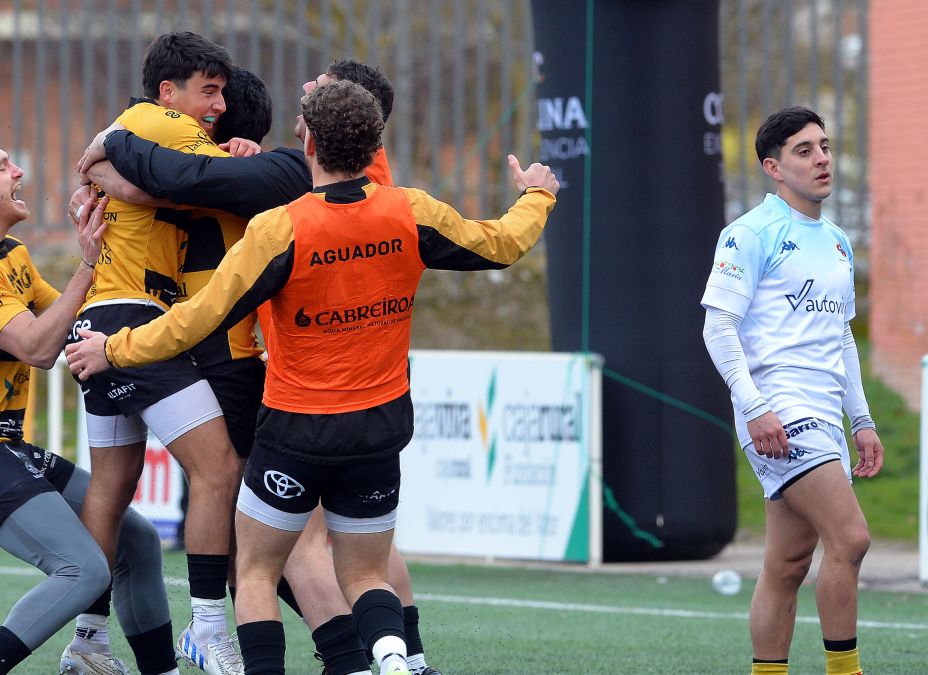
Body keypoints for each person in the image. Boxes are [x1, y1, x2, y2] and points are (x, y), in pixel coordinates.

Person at [65, 79, 558, 675]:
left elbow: (197, 319)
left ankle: (266, 649)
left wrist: (115, 348)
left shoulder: (281, 228)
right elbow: (502, 244)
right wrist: (537, 195)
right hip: (380, 425)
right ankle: (394, 655)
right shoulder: (410, 209)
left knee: (256, 570)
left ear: (308, 144)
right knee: (367, 573)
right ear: (372, 144)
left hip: (296, 430)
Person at [0, 122, 175, 675]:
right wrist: (87, 264)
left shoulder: (10, 254)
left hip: (3, 446)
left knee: (137, 539)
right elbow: (37, 347)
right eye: (3, 165)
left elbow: (77, 320)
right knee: (83, 569)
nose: (19, 171)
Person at [65, 31, 244, 675]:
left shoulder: (135, 127)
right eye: (209, 91)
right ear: (168, 92)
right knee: (219, 469)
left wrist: (96, 165)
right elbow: (219, 184)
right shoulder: (163, 123)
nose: (218, 106)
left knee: (112, 487)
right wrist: (241, 159)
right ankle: (207, 627)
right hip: (132, 321)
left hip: (99, 318)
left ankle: (88, 640)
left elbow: (145, 185)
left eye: (222, 93)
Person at [700, 106, 883, 675]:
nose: (822, 159)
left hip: (825, 414)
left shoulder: (837, 241)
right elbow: (717, 327)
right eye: (804, 151)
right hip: (779, 411)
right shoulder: (751, 233)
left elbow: (843, 337)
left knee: (787, 563)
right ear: (773, 168)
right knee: (851, 538)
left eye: (824, 146)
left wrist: (861, 419)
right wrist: (754, 406)